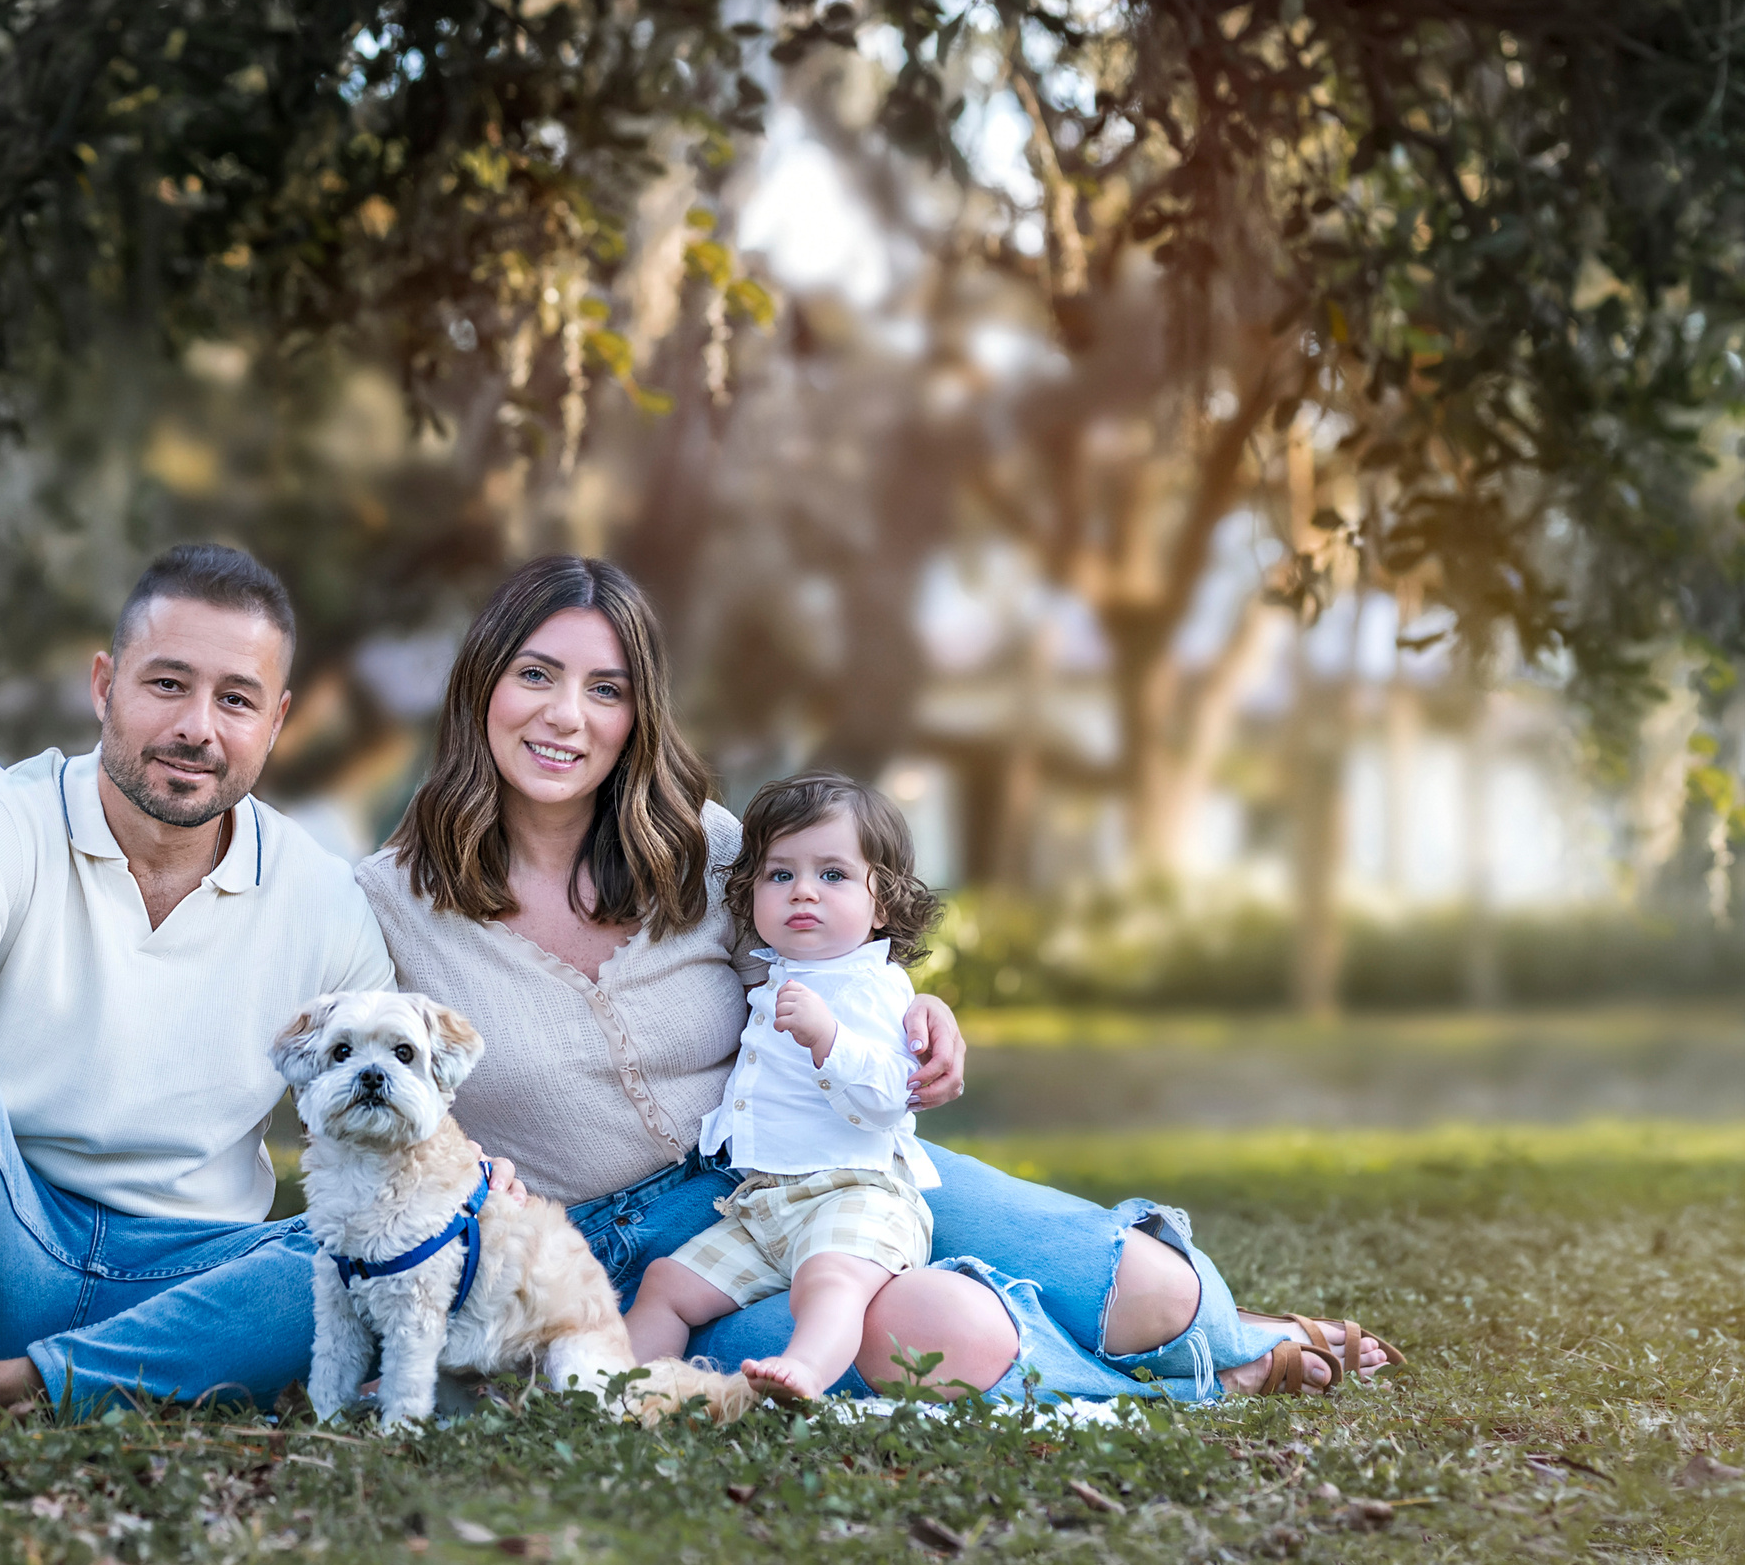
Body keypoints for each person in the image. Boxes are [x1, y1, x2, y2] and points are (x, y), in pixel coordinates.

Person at [358, 555, 1401, 1403]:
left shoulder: (713, 851)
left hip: (823, 1168)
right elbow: (352, 1081)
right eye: (535, 675)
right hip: (629, 1263)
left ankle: (1221, 1332)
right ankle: (1220, 1378)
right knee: (929, 1335)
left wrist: (926, 1010)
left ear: (640, 715)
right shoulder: (387, 902)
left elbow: (841, 954)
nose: (566, 717)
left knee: (1152, 1287)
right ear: (482, 683)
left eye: (606, 689)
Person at [0, 543, 397, 1430]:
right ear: (104, 684)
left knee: (365, 1250)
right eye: (167, 684)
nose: (198, 726)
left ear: (277, 720)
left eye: (235, 699)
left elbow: (382, 1133)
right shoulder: (8, 816)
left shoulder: (322, 894)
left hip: (195, 1281)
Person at [625, 772, 946, 1403]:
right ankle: (607, 1387)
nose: (803, 891)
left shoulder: (872, 987)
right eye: (780, 875)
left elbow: (891, 1097)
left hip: (856, 1192)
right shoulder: (780, 974)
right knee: (666, 1283)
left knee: (830, 1282)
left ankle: (802, 1370)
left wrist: (831, 1039)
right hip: (764, 1203)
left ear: (882, 904)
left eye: (833, 875)